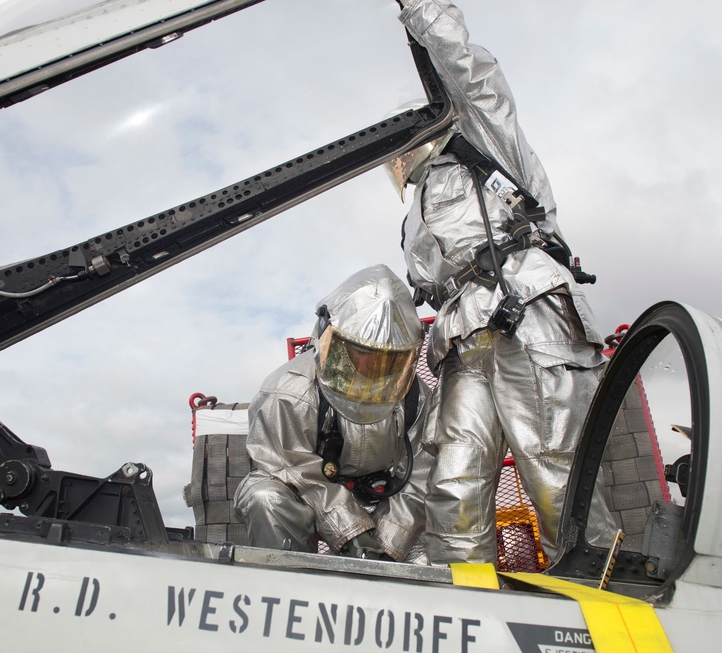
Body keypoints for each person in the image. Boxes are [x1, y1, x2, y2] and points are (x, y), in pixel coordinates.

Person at [389, 0, 617, 564]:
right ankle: (471, 613)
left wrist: (420, 9)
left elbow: (469, 69)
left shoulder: (482, 141)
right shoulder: (413, 214)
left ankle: (605, 605)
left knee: (556, 472)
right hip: (462, 340)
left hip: (528, 312)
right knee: (455, 486)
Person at [234, 264, 433, 562]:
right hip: (308, 495)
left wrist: (391, 543)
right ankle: (289, 589)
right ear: (331, 335)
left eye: (388, 360)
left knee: (428, 551)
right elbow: (294, 470)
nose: (372, 369)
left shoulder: (416, 395)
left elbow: (423, 472)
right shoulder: (288, 391)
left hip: (384, 502)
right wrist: (351, 532)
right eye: (363, 355)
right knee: (265, 497)